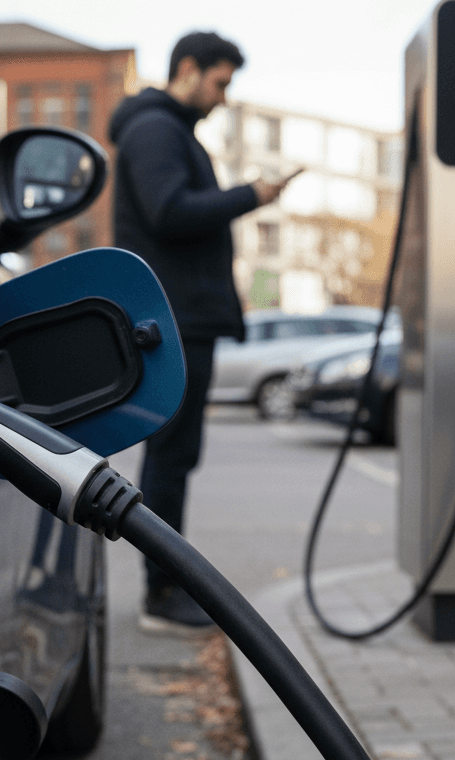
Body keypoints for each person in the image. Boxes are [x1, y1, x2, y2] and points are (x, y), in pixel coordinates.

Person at [108, 31, 294, 637]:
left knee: (175, 454)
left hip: (182, 315)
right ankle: (161, 594)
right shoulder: (156, 130)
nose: (222, 97)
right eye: (219, 81)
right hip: (176, 317)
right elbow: (170, 211)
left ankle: (166, 586)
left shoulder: (167, 129)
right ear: (187, 69)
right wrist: (252, 195)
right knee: (171, 454)